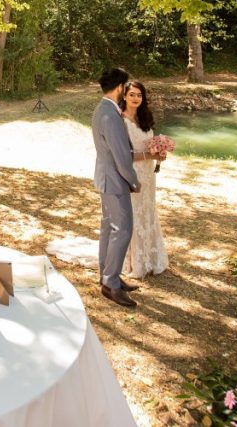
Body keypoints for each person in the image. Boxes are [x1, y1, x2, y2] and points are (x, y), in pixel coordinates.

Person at [92, 67, 141, 308]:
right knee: (122, 230)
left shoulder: (102, 109)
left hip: (105, 178)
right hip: (114, 181)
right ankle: (110, 284)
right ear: (120, 87)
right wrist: (133, 180)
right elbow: (121, 156)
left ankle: (108, 275)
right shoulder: (110, 115)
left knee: (108, 229)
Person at [119, 81, 168, 278]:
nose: (136, 98)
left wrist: (160, 151)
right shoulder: (121, 121)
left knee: (148, 209)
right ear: (124, 96)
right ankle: (134, 260)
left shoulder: (144, 117)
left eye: (139, 95)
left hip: (148, 174)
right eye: (132, 95)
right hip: (133, 172)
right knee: (135, 213)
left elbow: (149, 145)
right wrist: (151, 156)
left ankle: (151, 255)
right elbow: (125, 154)